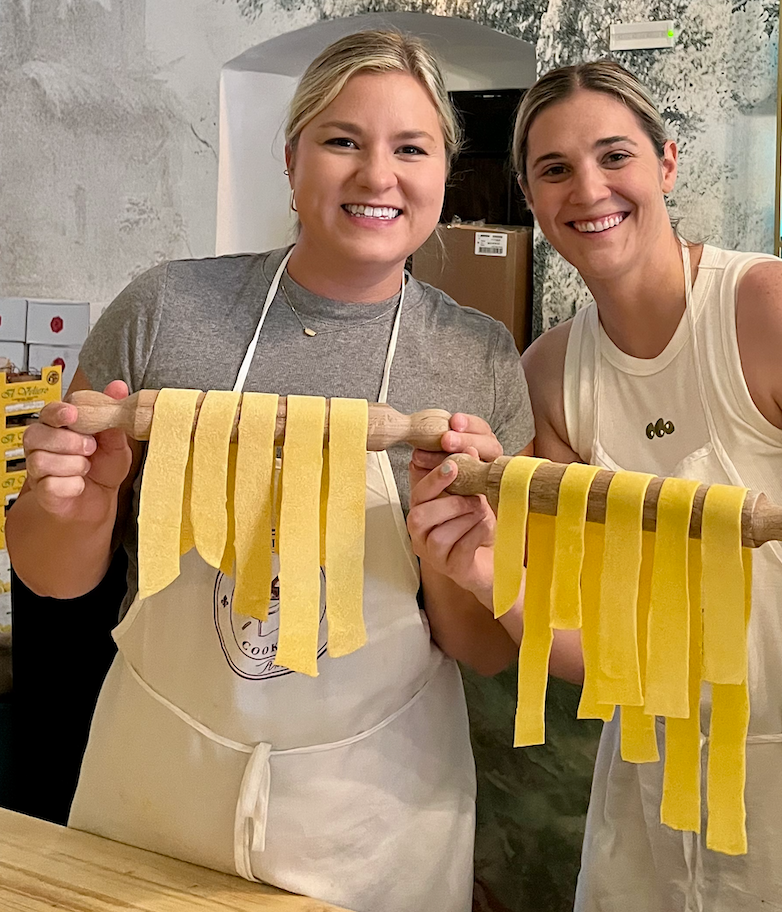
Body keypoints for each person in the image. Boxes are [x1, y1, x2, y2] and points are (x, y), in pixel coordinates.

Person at [6, 30, 535, 912]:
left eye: (411, 148)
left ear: (445, 170)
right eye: (341, 141)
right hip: (159, 780)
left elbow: (481, 649)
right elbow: (50, 575)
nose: (378, 176)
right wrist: (77, 504)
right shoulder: (167, 310)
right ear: (291, 159)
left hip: (373, 810)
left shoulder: (473, 359)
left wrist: (455, 560)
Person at [408, 59, 782, 911]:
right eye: (555, 170)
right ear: (531, 199)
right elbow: (595, 652)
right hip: (655, 783)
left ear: (668, 164)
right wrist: (480, 568)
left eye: (615, 156)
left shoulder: (762, 311)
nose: (589, 188)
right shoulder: (550, 378)